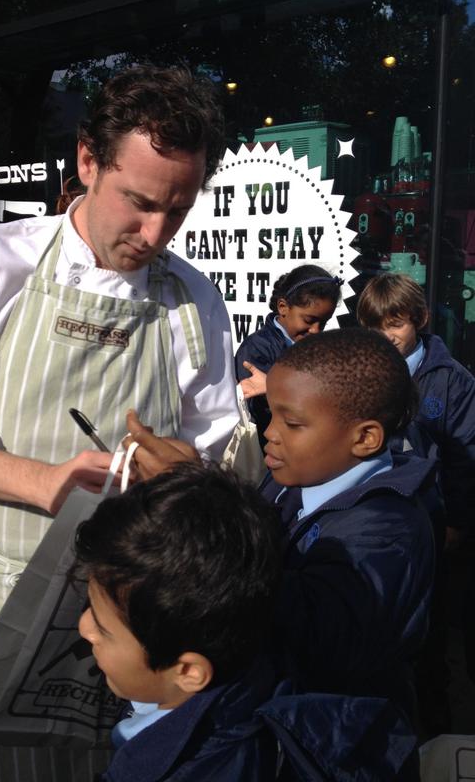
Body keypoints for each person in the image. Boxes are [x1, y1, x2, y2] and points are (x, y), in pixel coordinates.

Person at [0, 65, 239, 782]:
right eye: (138, 203)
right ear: (86, 160)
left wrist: (192, 476)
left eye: (178, 210)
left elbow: (221, 455)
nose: (155, 233)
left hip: (126, 621)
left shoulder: (192, 301)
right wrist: (44, 480)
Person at [125, 329, 435, 780]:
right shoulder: (293, 483)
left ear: (365, 438)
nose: (269, 433)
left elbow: (318, 635)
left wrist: (199, 502)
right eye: (270, 415)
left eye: (292, 424)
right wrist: (200, 483)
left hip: (330, 752)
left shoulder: (387, 532)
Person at [75, 462, 417, 781]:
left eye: (104, 630)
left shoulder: (208, 767)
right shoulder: (241, 647)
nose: (84, 628)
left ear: (188, 672)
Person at [356, 271, 475, 735]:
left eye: (395, 325)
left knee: (429, 633)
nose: (385, 336)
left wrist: (457, 523)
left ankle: (435, 727)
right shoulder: (363, 371)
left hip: (430, 521)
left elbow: (465, 457)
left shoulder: (452, 381)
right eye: (374, 326)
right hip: (376, 519)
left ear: (420, 321)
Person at [234, 265, 342, 447]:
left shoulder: (318, 349)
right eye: (308, 320)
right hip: (268, 449)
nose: (315, 330)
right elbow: (258, 408)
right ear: (283, 307)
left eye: (323, 323)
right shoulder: (257, 349)